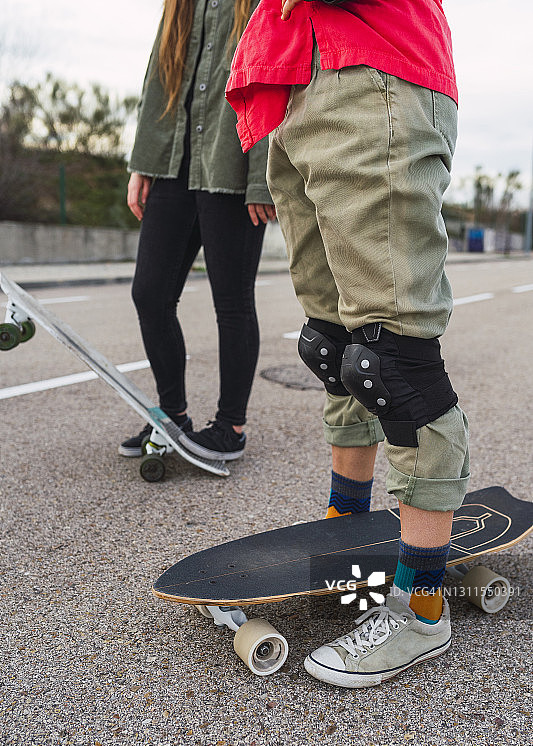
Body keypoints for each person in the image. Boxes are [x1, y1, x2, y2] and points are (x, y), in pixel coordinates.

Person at [226, 0, 470, 687]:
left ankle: (421, 605)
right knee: (333, 350)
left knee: (391, 362)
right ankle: (348, 531)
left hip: (372, 66)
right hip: (290, 81)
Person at [120, 0, 276, 463]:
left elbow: (274, 76)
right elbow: (158, 74)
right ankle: (173, 416)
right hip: (173, 163)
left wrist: (261, 176)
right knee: (150, 293)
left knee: (231, 301)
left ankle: (231, 426)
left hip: (231, 161)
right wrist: (143, 163)